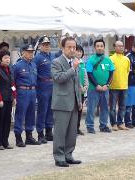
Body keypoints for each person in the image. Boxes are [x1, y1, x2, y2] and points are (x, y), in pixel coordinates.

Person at [51, 37, 82, 167]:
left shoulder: (75, 62)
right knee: (60, 132)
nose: (72, 49)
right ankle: (59, 157)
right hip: (61, 103)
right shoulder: (56, 62)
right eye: (69, 47)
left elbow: (76, 84)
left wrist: (80, 101)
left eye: (74, 47)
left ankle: (68, 155)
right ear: (62, 48)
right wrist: (73, 69)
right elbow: (59, 78)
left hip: (74, 102)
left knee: (71, 133)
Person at [13, 44, 40, 147]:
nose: (30, 53)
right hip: (22, 92)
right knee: (20, 115)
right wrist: (14, 95)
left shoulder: (33, 65)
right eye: (28, 52)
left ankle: (29, 136)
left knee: (31, 115)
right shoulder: (18, 65)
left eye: (32, 52)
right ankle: (18, 138)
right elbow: (13, 82)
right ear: (23, 52)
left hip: (33, 91)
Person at [85, 39, 114, 134]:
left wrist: (107, 85)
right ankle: (90, 126)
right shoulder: (91, 60)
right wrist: (97, 85)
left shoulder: (108, 60)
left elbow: (111, 74)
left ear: (104, 47)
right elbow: (89, 74)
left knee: (105, 108)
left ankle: (103, 125)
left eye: (101, 46)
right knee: (91, 108)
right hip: (93, 89)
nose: (99, 48)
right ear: (94, 48)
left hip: (105, 89)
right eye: (97, 46)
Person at [0, 50, 16, 150]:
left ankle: (5, 142)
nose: (7, 60)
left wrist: (14, 97)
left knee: (7, 121)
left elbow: (13, 84)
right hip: (1, 100)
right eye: (5, 58)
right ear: (0, 60)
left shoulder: (9, 70)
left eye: (8, 58)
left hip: (9, 99)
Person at [34, 36, 54, 144]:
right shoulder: (37, 58)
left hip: (52, 86)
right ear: (40, 46)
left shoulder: (51, 56)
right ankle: (40, 133)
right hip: (42, 86)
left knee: (50, 110)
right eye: (44, 45)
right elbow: (34, 72)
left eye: (48, 45)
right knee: (42, 111)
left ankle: (49, 132)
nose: (47, 47)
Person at [109, 41, 130, 131]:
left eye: (122, 46)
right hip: (113, 86)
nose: (121, 48)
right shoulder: (110, 59)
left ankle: (120, 123)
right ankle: (113, 123)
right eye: (119, 46)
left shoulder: (127, 59)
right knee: (113, 107)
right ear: (114, 47)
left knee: (122, 106)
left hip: (124, 86)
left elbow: (127, 72)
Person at [76, 44, 88, 135]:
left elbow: (85, 76)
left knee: (80, 110)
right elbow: (76, 77)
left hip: (83, 90)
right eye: (77, 51)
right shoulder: (74, 62)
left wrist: (86, 87)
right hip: (76, 90)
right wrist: (80, 87)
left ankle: (78, 127)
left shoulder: (83, 63)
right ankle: (73, 128)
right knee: (75, 110)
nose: (79, 53)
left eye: (80, 51)